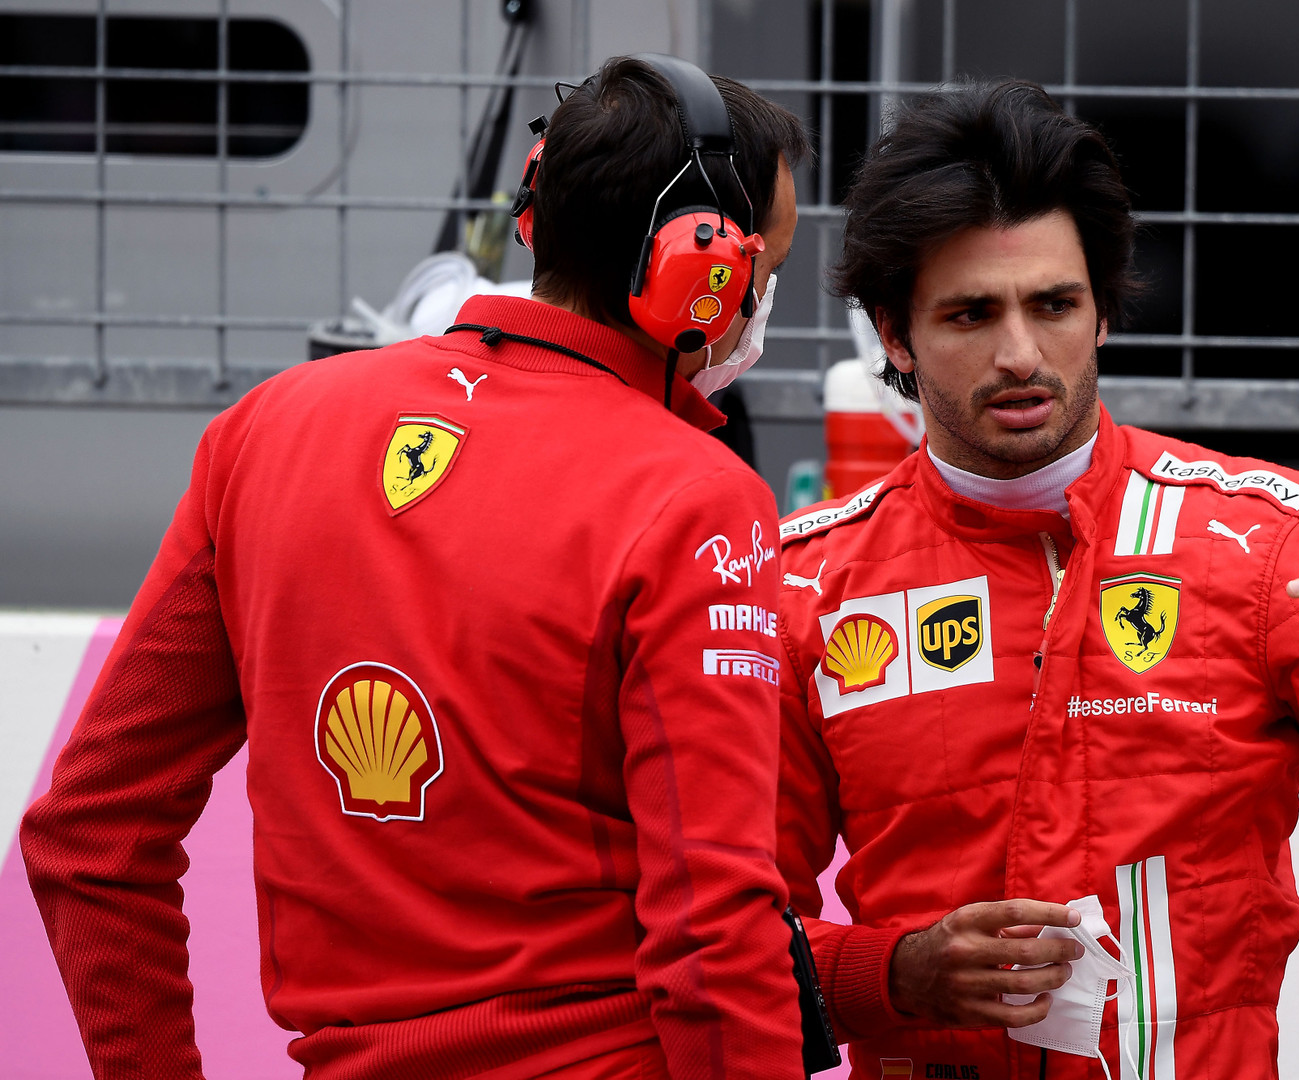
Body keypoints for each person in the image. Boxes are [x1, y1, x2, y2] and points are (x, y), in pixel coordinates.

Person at [21, 55, 808, 1080]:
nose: (756, 302)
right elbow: (714, 927)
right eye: (760, 269)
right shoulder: (696, 497)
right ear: (695, 270)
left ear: (538, 209)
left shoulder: (264, 429)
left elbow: (90, 832)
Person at [772, 80, 1299, 1080]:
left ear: (1104, 311)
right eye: (971, 313)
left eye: (1054, 305)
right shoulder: (807, 584)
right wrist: (893, 974)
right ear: (895, 334)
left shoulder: (1275, 544)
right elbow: (720, 934)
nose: (1020, 353)